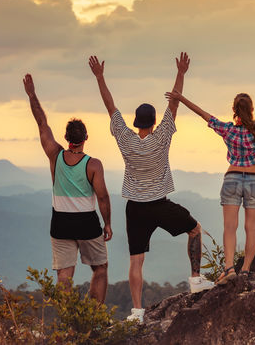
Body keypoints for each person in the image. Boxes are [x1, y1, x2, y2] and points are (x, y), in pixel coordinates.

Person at [89, 53, 213, 325]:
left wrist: (100, 77)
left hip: (135, 208)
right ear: (154, 123)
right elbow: (174, 103)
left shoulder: (125, 139)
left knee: (136, 261)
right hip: (160, 204)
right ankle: (195, 279)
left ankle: (136, 312)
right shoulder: (163, 137)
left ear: (136, 123)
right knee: (194, 229)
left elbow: (110, 106)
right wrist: (181, 72)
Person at [168, 65, 255, 283]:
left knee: (229, 228)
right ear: (251, 109)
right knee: (251, 227)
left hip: (232, 178)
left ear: (234, 110)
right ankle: (246, 270)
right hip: (254, 180)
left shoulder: (228, 130)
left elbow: (204, 114)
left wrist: (180, 98)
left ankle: (229, 268)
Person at [22, 74, 111, 303]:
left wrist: (32, 94)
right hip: (87, 222)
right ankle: (95, 318)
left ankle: (70, 324)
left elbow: (42, 123)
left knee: (64, 275)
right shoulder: (93, 165)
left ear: (66, 137)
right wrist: (108, 224)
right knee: (100, 269)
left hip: (60, 222)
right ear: (86, 138)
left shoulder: (55, 155)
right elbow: (102, 197)